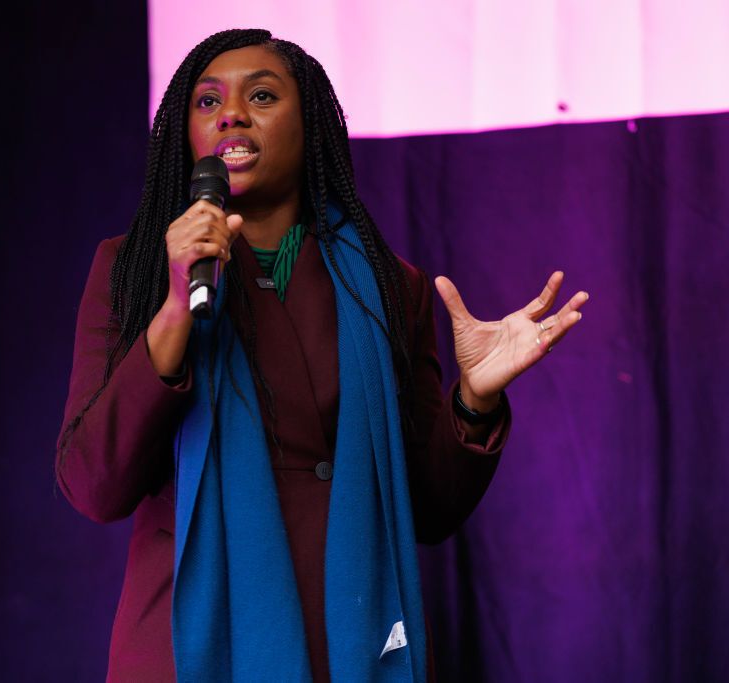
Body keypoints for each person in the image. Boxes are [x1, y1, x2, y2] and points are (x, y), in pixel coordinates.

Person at [55, 28, 588, 682]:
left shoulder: (390, 287)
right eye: (207, 101)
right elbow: (93, 484)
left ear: (311, 126)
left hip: (345, 647)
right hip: (187, 651)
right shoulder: (134, 270)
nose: (231, 113)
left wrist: (474, 400)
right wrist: (172, 312)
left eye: (262, 95)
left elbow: (427, 508)